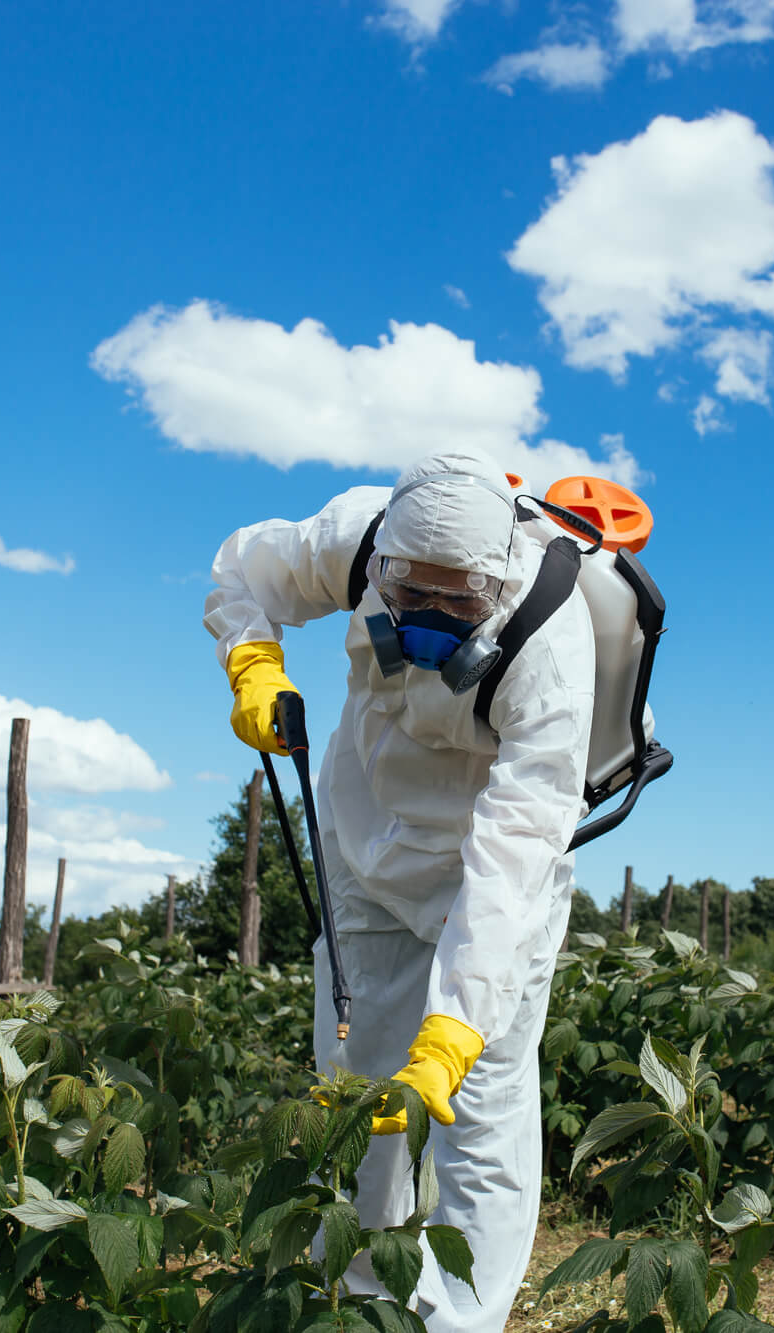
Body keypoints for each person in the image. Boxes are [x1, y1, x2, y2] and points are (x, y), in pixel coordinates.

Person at [205, 447, 595, 1331]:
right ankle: (356, 1301)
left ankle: (460, 1322)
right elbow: (244, 567)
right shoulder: (353, 532)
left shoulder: (553, 650)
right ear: (380, 561)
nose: (424, 616)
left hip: (488, 870)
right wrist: (253, 660)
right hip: (365, 837)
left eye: (455, 602)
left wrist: (455, 1027)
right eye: (406, 593)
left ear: (497, 585)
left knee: (481, 1119)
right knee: (357, 1084)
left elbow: (518, 851)